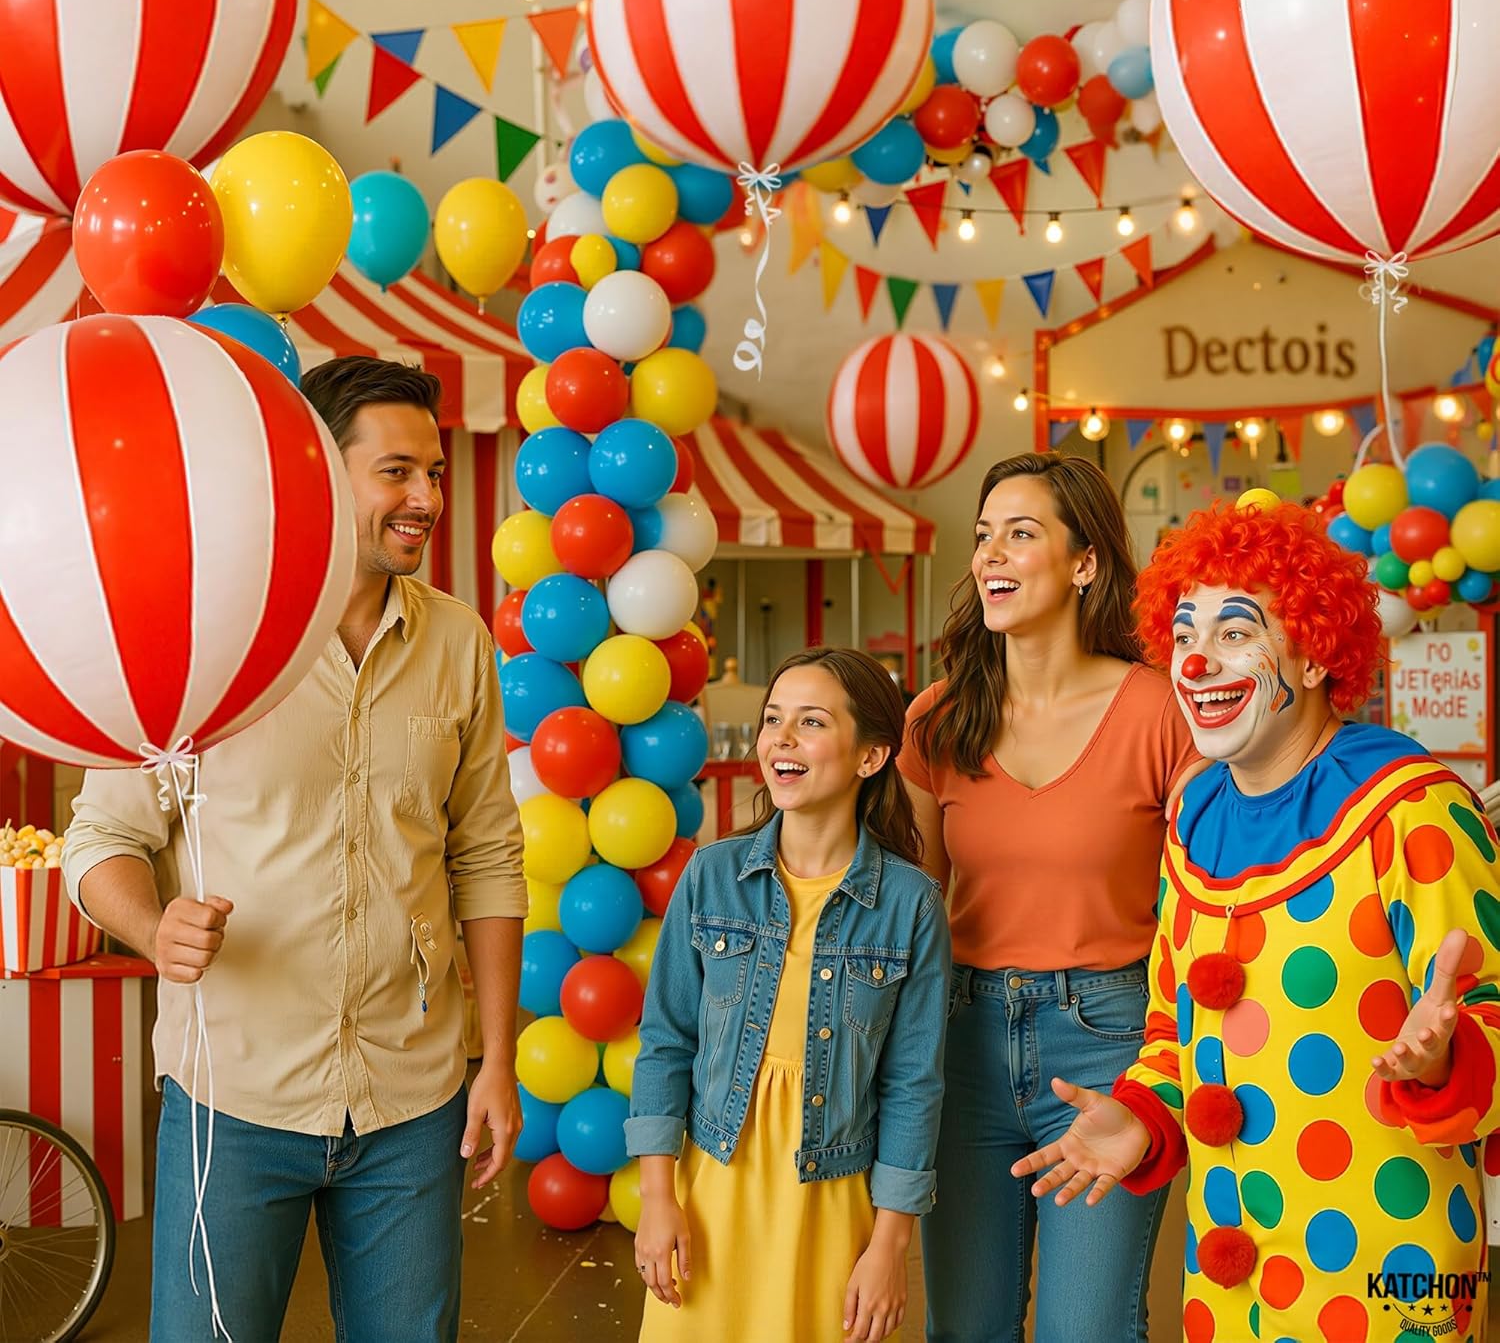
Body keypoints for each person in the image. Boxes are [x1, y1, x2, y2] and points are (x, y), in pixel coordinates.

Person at [63, 358, 527, 1343]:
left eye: (435, 474)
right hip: (233, 1096)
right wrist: (154, 926)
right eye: (398, 472)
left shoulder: (459, 644)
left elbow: (486, 856)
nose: (427, 499)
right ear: (317, 473)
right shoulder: (203, 634)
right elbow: (102, 839)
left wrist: (498, 1062)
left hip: (413, 1101)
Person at [1014, 496, 1500, 1342]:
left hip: (1393, 1260)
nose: (1197, 663)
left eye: (1236, 633)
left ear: (1312, 655)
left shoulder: (1410, 806)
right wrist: (1145, 1115)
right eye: (1185, 635)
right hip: (1230, 1270)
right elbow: (1174, 1025)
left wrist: (1446, 1055)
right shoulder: (1196, 813)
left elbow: (1489, 1005)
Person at [902, 451, 1201, 1343]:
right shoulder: (935, 722)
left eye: (1021, 534)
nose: (991, 554)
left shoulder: (1162, 713)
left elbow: (1202, 909)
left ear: (1085, 564)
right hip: (962, 1044)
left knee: (1090, 1329)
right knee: (967, 1328)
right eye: (984, 535)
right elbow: (913, 916)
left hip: (1109, 1039)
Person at [629, 647, 951, 1343]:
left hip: (832, 1199)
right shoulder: (711, 876)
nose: (781, 738)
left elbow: (913, 1085)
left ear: (870, 757)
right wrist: (657, 1198)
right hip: (713, 1188)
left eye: (811, 722)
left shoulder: (911, 903)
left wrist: (891, 1245)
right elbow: (664, 1044)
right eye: (775, 719)